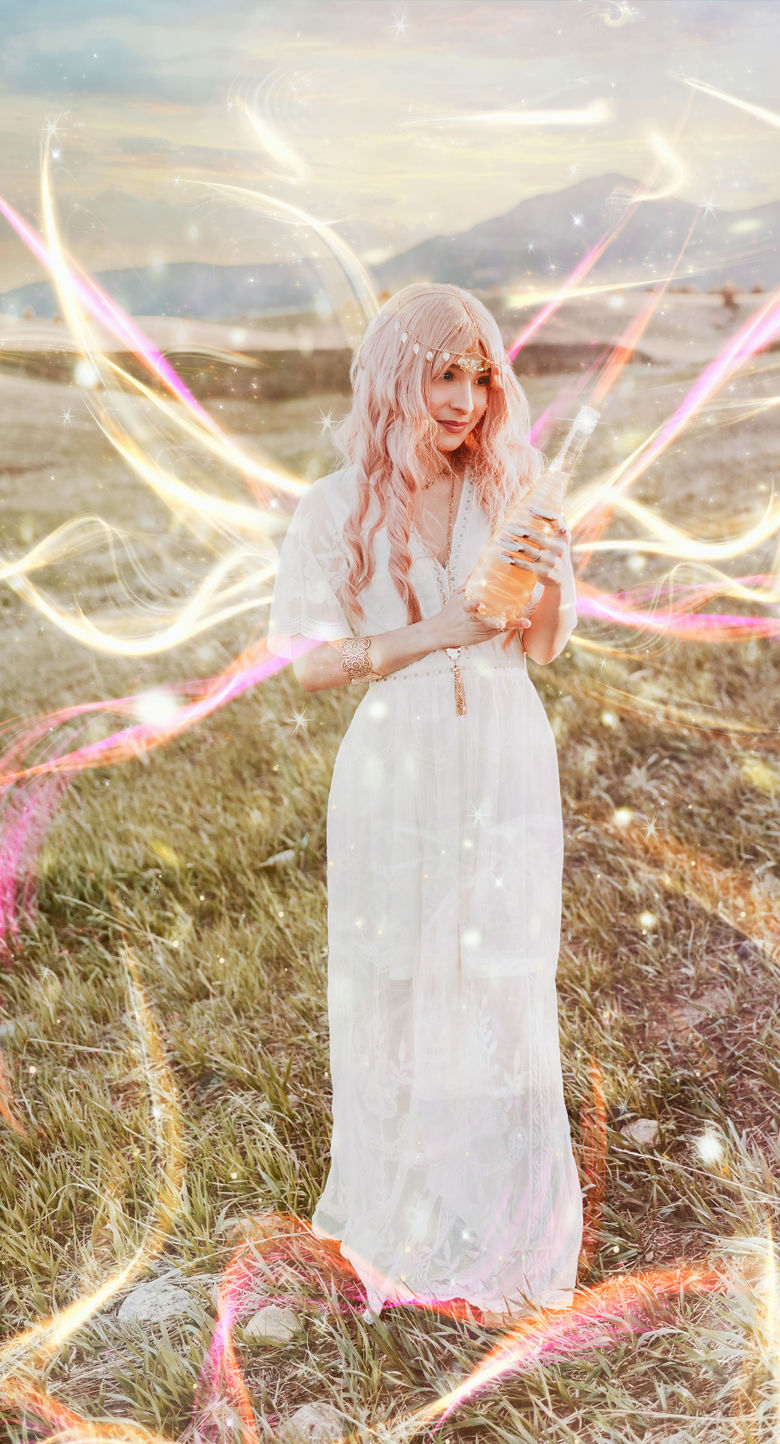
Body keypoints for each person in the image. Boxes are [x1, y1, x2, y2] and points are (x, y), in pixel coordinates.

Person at [266, 283, 584, 1328]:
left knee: (498, 977)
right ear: (396, 376)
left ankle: (501, 1221)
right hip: (396, 759)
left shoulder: (511, 484)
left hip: (503, 751)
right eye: (442, 373)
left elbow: (541, 644)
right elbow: (309, 665)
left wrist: (545, 577)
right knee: (399, 978)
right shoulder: (333, 506)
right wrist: (430, 634)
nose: (464, 397)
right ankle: (408, 1219)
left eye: (480, 373)